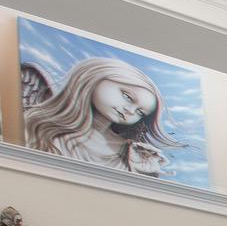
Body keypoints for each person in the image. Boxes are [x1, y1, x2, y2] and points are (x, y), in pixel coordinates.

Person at [22, 56, 183, 176]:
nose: (130, 111)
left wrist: (147, 172)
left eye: (140, 112)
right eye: (127, 97)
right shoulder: (39, 121)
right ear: (96, 77)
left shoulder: (130, 152)